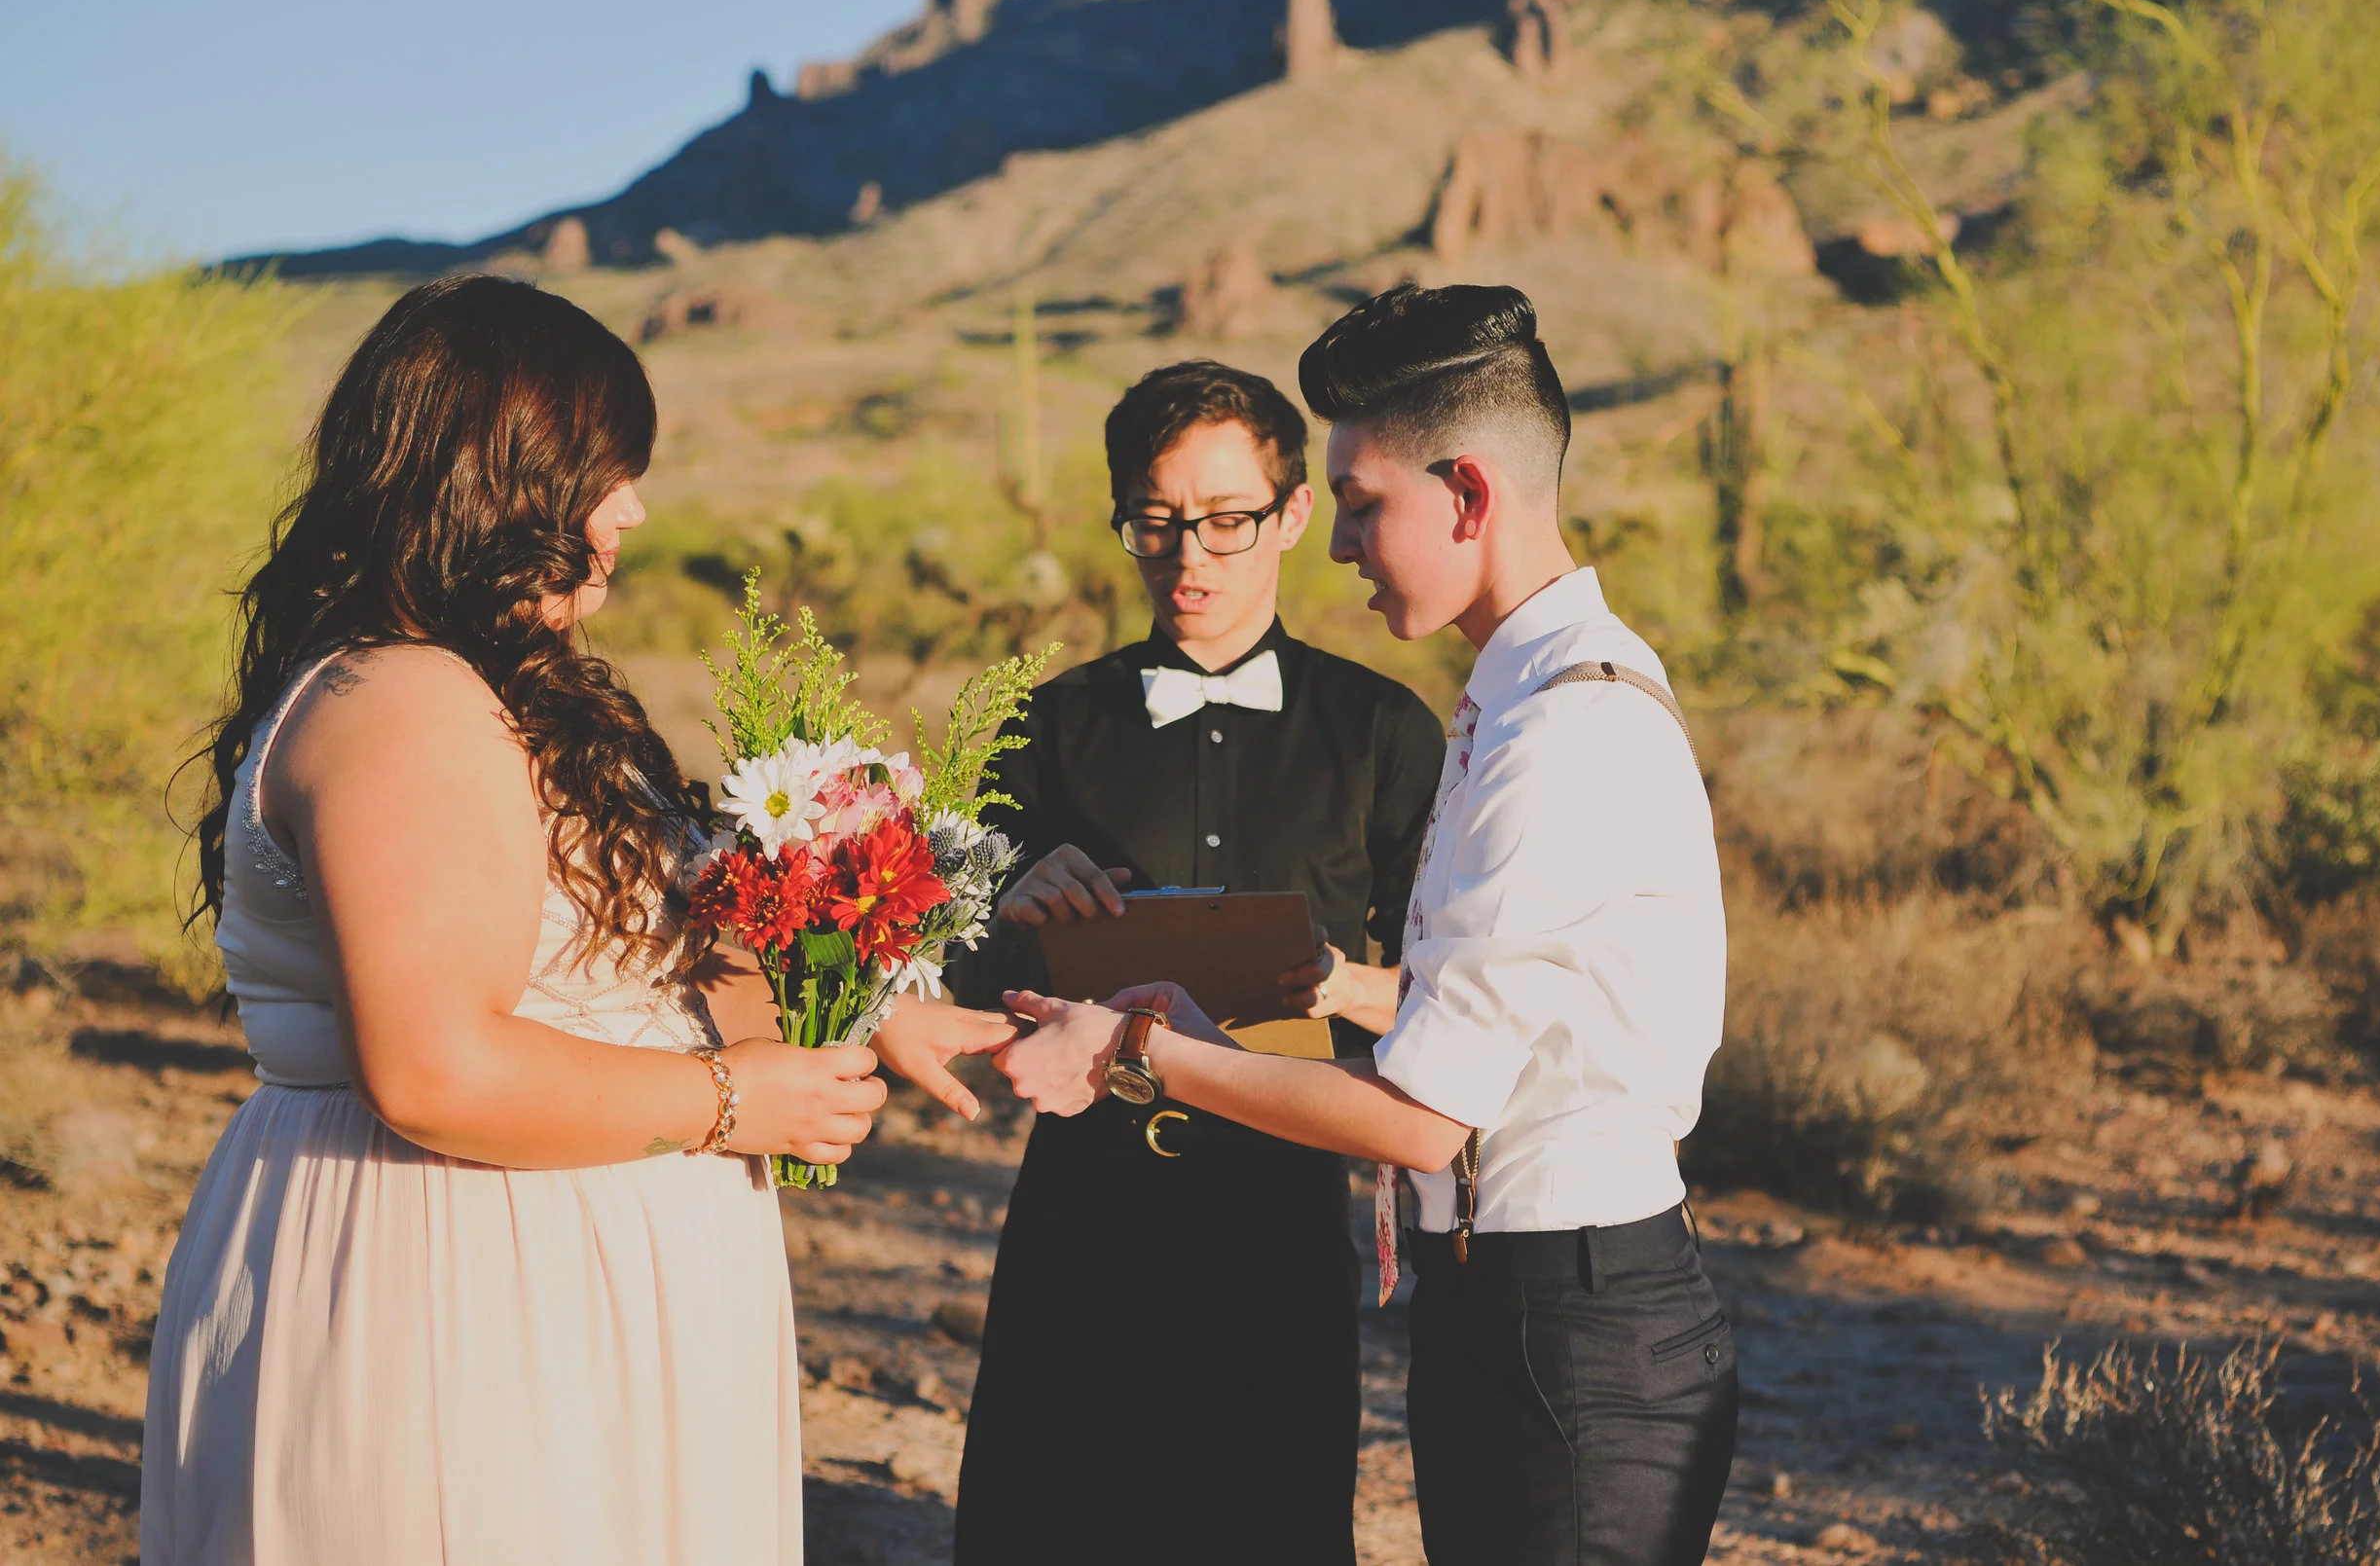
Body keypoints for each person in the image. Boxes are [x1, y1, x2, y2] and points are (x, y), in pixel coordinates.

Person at [145, 275, 1013, 1566]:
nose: (633, 510)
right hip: (458, 1293)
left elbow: (624, 967)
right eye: (610, 472)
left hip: (550, 1284)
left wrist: (865, 1006)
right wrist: (734, 1103)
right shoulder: (407, 707)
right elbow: (433, 1068)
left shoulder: (504, 690)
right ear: (505, 478)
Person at [993, 287, 1738, 1566]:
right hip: (1507, 1299)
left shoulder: (1559, 733)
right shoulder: (1514, 707)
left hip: (1572, 1320)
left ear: (1468, 495)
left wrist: (1136, 1049)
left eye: (1357, 502)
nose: (1336, 543)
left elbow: (1421, 1116)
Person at [951, 361, 1446, 1566]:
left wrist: (1343, 986)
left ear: (1292, 513)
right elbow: (953, 977)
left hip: (1286, 1213)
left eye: (1227, 520)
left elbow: (1439, 994)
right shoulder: (1041, 727)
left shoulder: (1383, 732)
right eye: (1156, 521)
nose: (1190, 557)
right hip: (1081, 1211)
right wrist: (1010, 913)